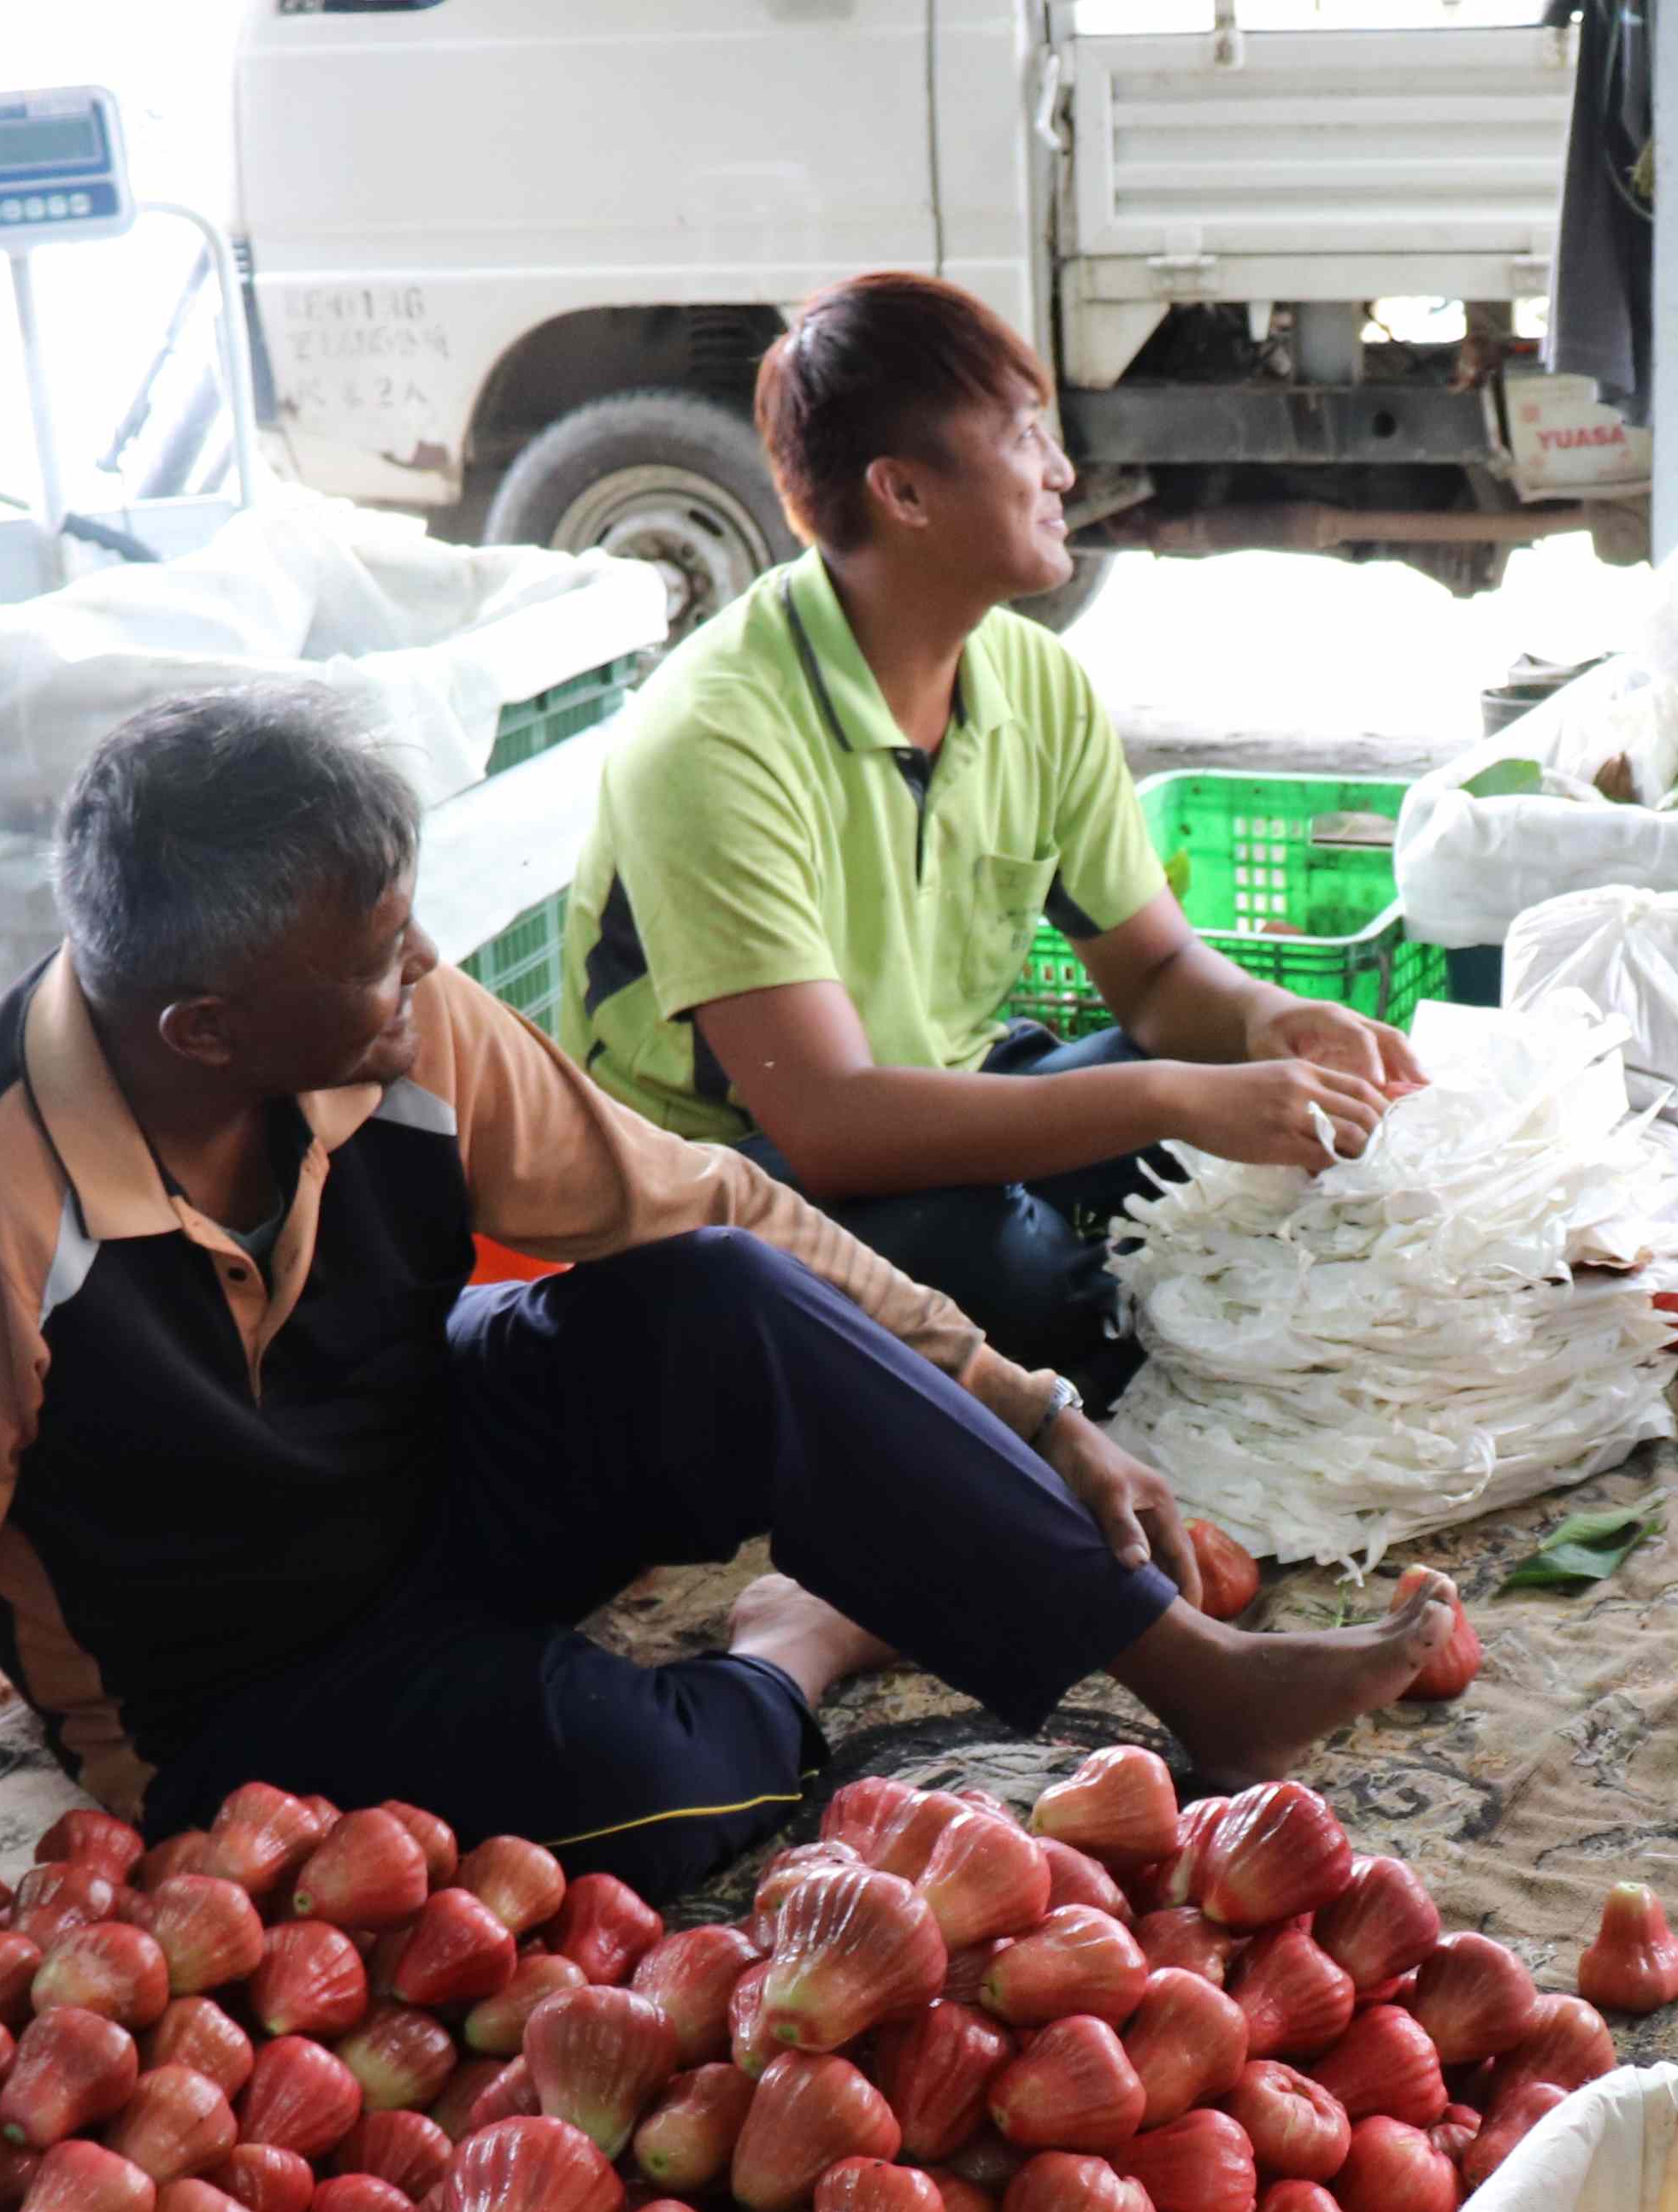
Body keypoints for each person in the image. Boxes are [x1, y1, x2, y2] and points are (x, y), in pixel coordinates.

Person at [0, 690, 1447, 1926]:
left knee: (717, 1290)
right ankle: (791, 1641)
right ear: (204, 1028)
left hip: (432, 1465)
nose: (419, 973)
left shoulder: (400, 1014)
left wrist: (1029, 1404)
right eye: (371, 961)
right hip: (228, 1689)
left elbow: (711, 1197)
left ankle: (1195, 1666)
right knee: (650, 1798)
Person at [558, 271, 1421, 1391]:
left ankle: (1087, 1319)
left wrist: (1273, 1023)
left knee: (1240, 1124)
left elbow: (1156, 978)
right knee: (992, 1258)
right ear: (905, 494)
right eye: (1024, 437)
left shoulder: (1032, 679)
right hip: (721, 1194)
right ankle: (1076, 1343)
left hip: (936, 1104)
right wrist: (1177, 1095)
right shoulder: (715, 738)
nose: (1063, 473)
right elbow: (830, 1126)